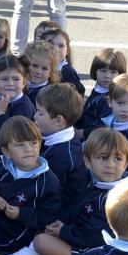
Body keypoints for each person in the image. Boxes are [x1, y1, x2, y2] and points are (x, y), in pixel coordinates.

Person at [26, 129, 128, 255]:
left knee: (41, 241)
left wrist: (64, 231)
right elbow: (78, 209)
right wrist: (61, 223)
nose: (110, 165)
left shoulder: (119, 196)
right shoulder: (95, 184)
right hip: (87, 242)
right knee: (43, 228)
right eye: (103, 157)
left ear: (126, 164)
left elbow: (98, 236)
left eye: (118, 159)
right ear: (88, 162)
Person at [0, 117, 62, 255]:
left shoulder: (47, 180)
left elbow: (49, 216)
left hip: (14, 232)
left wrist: (21, 213)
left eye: (33, 143)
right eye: (20, 145)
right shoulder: (4, 167)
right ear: (6, 152)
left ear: (40, 144)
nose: (28, 149)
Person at [34, 83, 90, 217]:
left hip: (61, 210)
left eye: (40, 113)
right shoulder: (65, 135)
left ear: (58, 121)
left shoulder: (60, 154)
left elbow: (45, 189)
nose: (35, 116)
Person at [80, 48, 126, 138]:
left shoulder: (110, 99)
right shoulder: (99, 88)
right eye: (103, 71)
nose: (107, 76)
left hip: (96, 139)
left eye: (113, 72)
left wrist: (82, 133)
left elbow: (104, 127)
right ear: (95, 71)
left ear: (120, 74)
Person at [41, 28, 85, 96]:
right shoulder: (34, 65)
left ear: (67, 51)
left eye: (61, 46)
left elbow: (79, 94)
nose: (55, 49)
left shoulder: (67, 71)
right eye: (51, 43)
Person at [21, 39, 59, 107]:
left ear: (51, 72)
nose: (38, 71)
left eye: (44, 68)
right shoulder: (16, 83)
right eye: (34, 66)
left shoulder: (49, 94)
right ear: (25, 63)